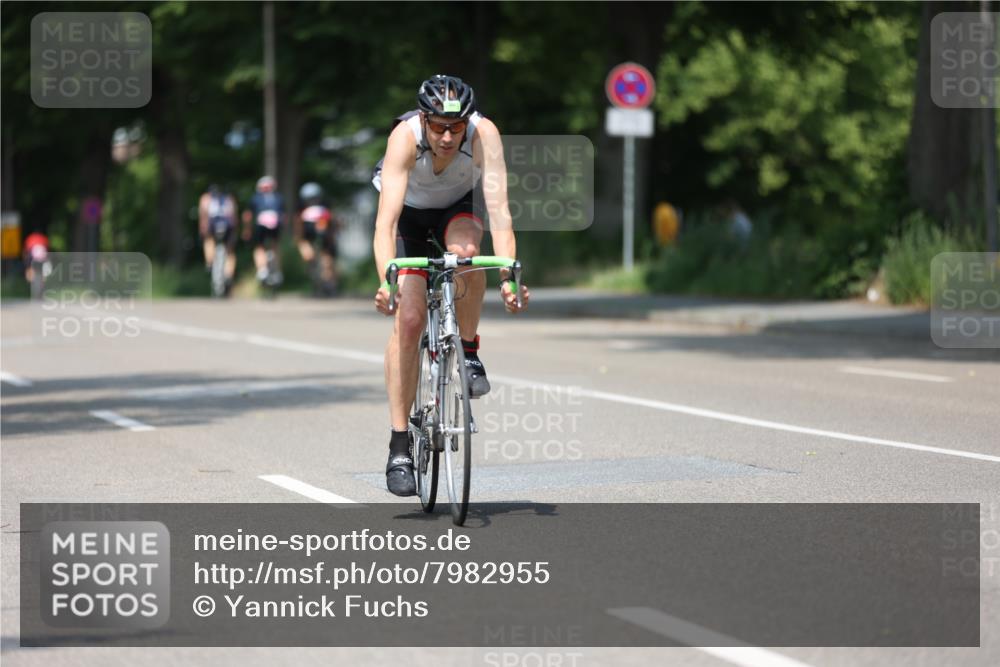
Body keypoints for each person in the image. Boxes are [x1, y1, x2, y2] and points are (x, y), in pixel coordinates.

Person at [371, 74, 530, 496]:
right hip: (408, 211)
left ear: (468, 122)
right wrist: (386, 280)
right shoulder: (404, 140)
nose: (446, 136)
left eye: (455, 127)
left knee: (466, 256)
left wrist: (509, 278)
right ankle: (400, 445)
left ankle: (470, 351)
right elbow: (384, 226)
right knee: (408, 319)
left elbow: (501, 213)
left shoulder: (484, 135)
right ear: (423, 119)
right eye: (438, 125)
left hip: (458, 205)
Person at [295, 182, 341, 295]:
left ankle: (327, 283)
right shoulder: (303, 207)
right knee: (314, 257)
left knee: (326, 259)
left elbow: (332, 222)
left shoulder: (324, 206)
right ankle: (321, 281)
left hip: (322, 235)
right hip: (312, 235)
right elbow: (298, 224)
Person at [242, 175, 285, 286]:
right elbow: (283, 216)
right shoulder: (278, 197)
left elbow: (248, 215)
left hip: (261, 225)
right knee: (275, 246)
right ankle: (277, 271)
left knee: (259, 247)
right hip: (275, 225)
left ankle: (262, 270)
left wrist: (247, 230)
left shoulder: (256, 198)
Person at [198, 184, 239, 291]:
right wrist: (235, 230)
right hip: (228, 225)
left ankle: (209, 262)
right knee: (230, 251)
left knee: (208, 240)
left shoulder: (206, 198)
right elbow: (234, 215)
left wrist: (202, 227)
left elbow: (203, 214)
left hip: (213, 224)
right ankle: (229, 274)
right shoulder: (229, 198)